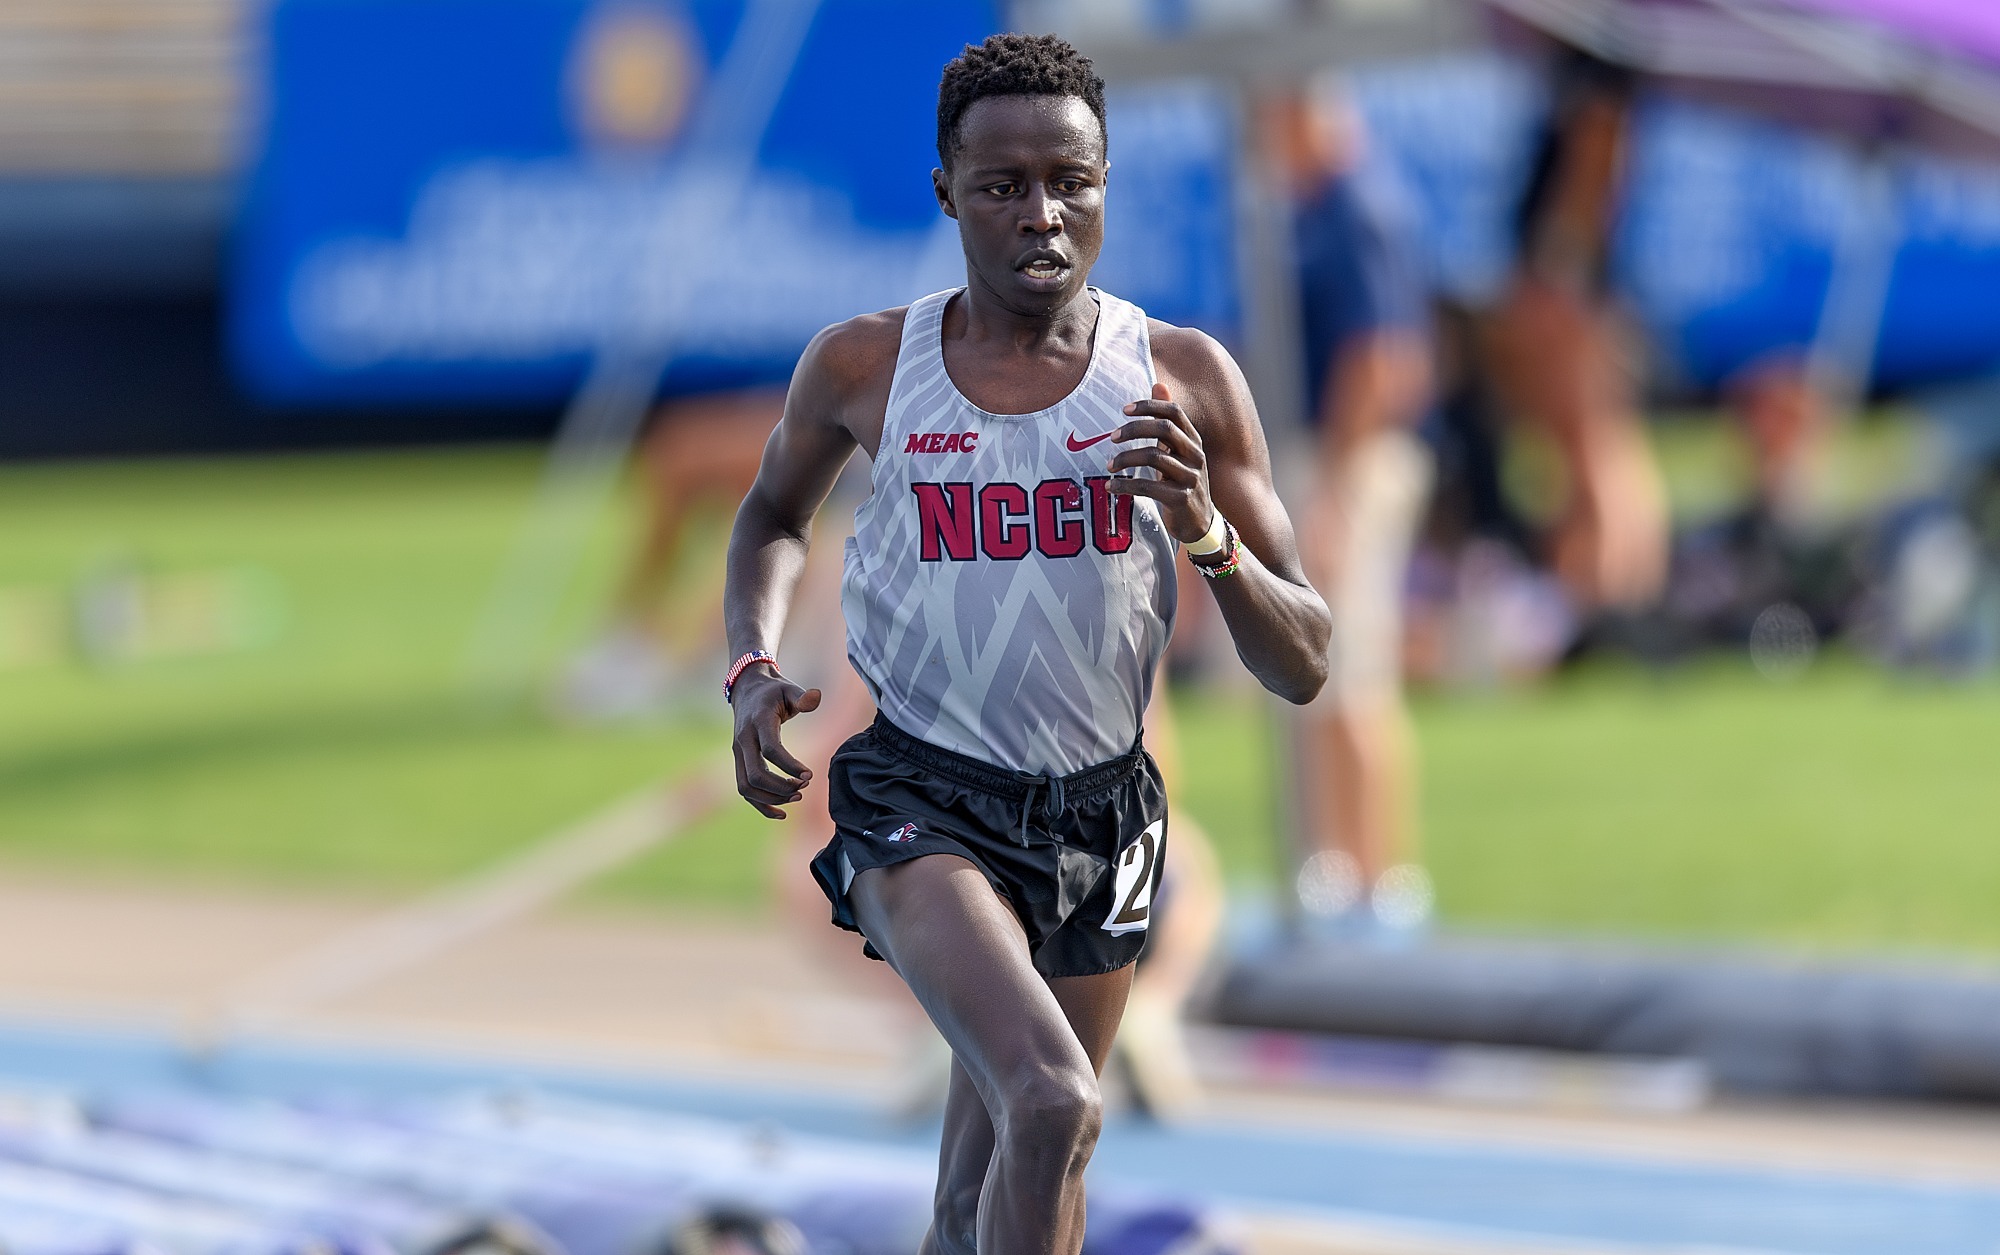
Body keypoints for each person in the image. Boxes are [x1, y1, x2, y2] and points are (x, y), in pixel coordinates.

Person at [722, 34, 1330, 1255]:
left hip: (1102, 818)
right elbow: (771, 516)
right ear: (946, 191)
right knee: (1054, 1100)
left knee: (983, 1181)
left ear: (1106, 182)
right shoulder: (865, 366)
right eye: (1003, 186)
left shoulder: (1181, 380)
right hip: (920, 800)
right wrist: (749, 668)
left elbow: (1304, 658)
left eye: (1072, 181)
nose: (1042, 214)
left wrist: (1204, 530)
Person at [1264, 87, 1437, 937]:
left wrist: (1333, 488)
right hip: (1332, 458)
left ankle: (1384, 881)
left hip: (1354, 460)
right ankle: (1335, 872)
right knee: (1314, 682)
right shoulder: (1314, 206)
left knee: (1355, 671)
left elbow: (1382, 358)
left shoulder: (1357, 205)